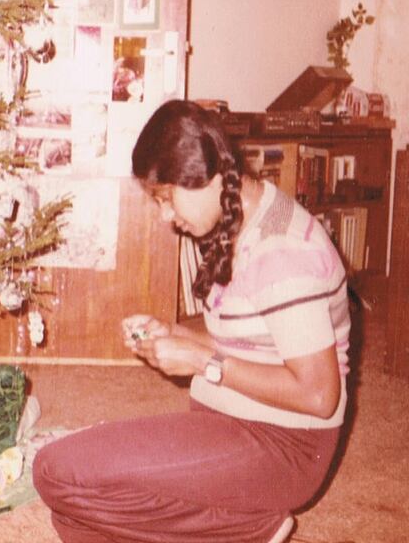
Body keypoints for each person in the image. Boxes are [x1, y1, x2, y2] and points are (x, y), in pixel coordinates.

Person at [33, 99, 350, 543]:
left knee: (54, 473)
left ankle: (248, 529)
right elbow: (250, 326)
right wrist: (176, 333)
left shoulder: (282, 253)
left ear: (209, 177)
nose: (165, 217)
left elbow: (319, 395)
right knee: (76, 520)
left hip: (282, 449)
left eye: (166, 199)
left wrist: (204, 361)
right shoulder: (243, 214)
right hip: (237, 427)